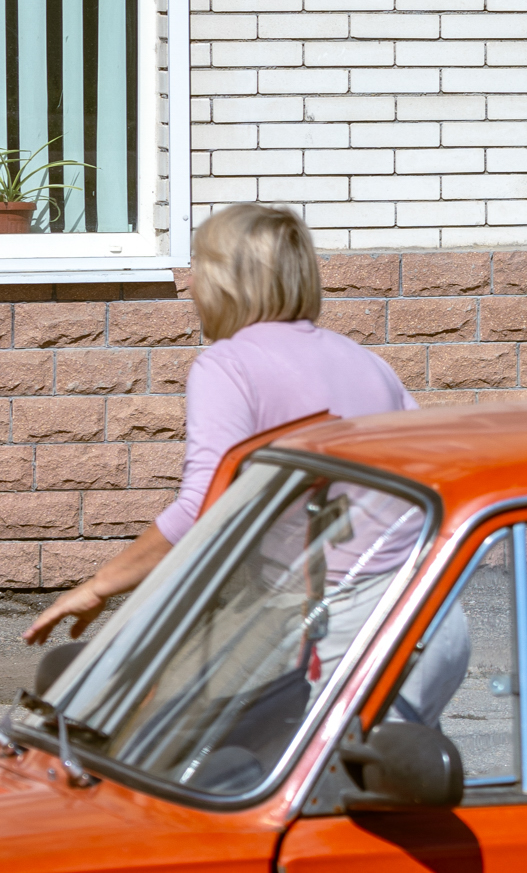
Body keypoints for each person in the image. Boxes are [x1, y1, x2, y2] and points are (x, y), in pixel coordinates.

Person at [21, 204, 459, 720]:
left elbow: (202, 509)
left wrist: (100, 586)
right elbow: (432, 475)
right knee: (388, 771)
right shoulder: (366, 361)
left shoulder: (228, 365)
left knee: (191, 746)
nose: (190, 287)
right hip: (434, 620)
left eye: (198, 269)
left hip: (351, 634)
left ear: (225, 281)